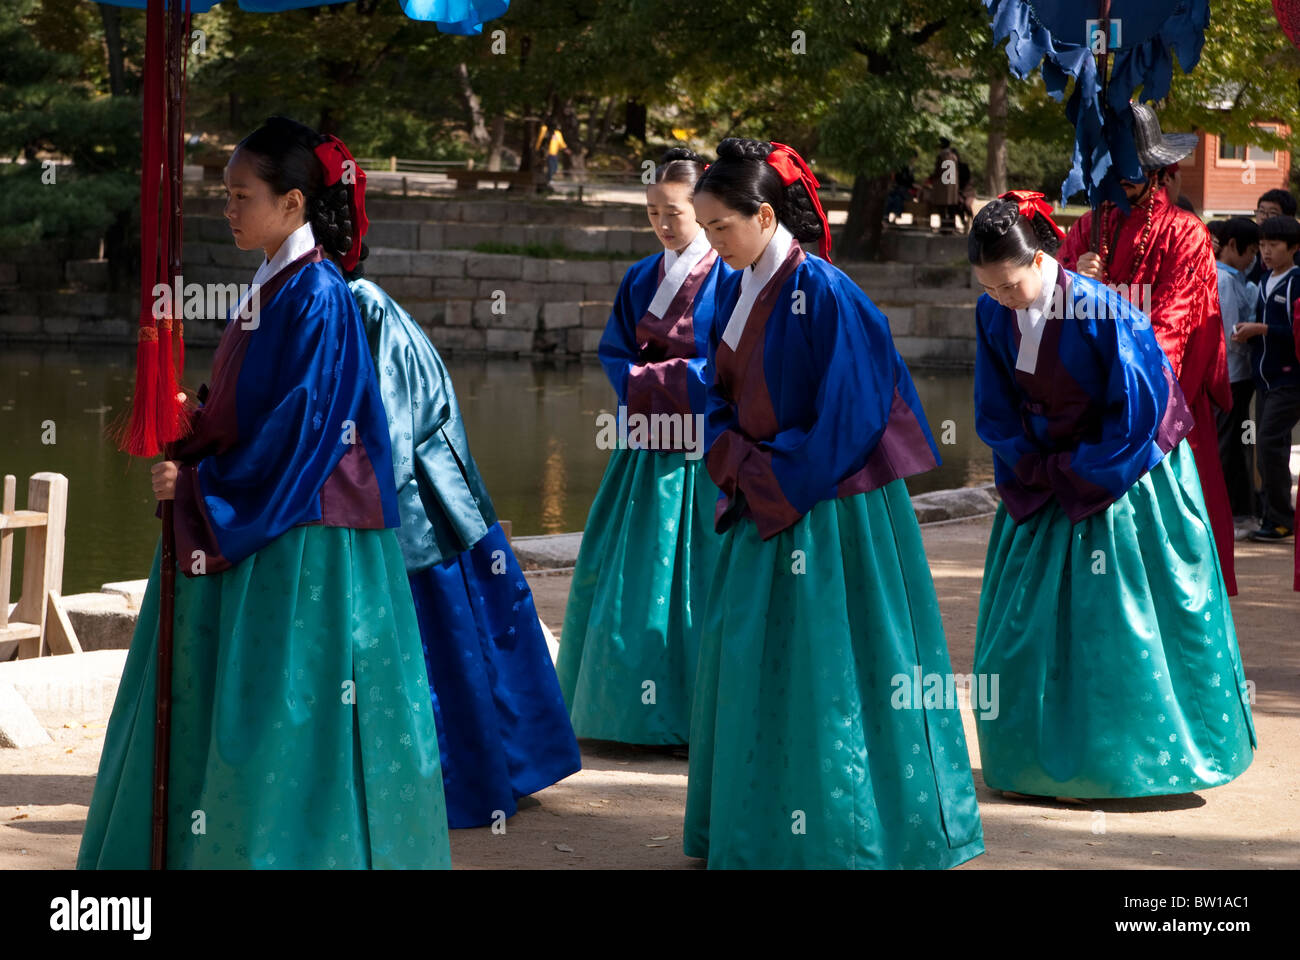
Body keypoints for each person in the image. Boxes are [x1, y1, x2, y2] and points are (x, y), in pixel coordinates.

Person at [78, 116, 451, 869]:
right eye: (224, 195)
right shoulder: (274, 281)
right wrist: (195, 424)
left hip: (301, 531)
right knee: (257, 705)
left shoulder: (317, 294)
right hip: (269, 511)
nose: (228, 208)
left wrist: (200, 485)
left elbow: (305, 429)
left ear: (292, 204)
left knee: (290, 707)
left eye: (241, 195)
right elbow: (257, 406)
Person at [684, 137, 984, 869]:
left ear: (762, 214)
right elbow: (708, 382)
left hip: (829, 504)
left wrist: (771, 477)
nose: (711, 242)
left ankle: (854, 834)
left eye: (721, 227)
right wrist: (730, 451)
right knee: (758, 663)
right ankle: (755, 827)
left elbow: (853, 414)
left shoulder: (825, 290)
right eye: (706, 228)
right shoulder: (730, 281)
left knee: (837, 668)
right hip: (762, 487)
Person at [323, 138, 581, 829]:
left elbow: (389, 430)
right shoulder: (331, 299)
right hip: (409, 492)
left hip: (413, 505)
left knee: (436, 638)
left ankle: (458, 776)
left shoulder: (362, 306)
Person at [969, 195, 1256, 801]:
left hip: (1122, 472)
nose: (1002, 298)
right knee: (1023, 630)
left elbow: (1141, 413)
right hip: (1045, 471)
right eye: (989, 287)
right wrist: (1030, 462)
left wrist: (1078, 471)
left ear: (1041, 259)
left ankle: (1131, 763)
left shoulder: (1105, 312)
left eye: (1010, 284)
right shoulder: (992, 313)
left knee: (1121, 622)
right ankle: (1027, 761)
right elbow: (994, 406)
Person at [556, 148, 730, 746]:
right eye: (652, 210)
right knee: (628, 576)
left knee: (695, 575)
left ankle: (690, 717)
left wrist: (659, 380)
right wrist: (640, 384)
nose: (661, 223)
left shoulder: (729, 276)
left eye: (673, 212)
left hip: (702, 446)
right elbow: (614, 350)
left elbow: (730, 364)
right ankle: (622, 711)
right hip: (646, 443)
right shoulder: (640, 276)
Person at [1058, 101, 1238, 595]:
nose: (1122, 181)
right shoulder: (1082, 232)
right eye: (1111, 168)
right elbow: (1049, 318)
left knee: (1168, 550)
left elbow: (1175, 329)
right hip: (1089, 403)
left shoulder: (1187, 234)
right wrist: (1074, 284)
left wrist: (1127, 391)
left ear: (1157, 170)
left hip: (1158, 401)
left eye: (1131, 170)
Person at [1232, 215, 1300, 543]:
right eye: (1262, 245)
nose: (1266, 252)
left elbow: (1295, 333)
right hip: (1265, 379)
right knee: (1268, 445)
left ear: (1294, 248)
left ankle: (1281, 518)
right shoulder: (1262, 281)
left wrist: (1261, 330)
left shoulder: (1295, 282)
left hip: (1289, 380)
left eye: (1274, 245)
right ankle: (1272, 516)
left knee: (1270, 443)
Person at [1213, 217, 1261, 530]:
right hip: (1233, 375)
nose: (1256, 257)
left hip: (1238, 375)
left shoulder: (1236, 279)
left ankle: (1241, 508)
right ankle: (1233, 512)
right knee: (1231, 444)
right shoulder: (1224, 281)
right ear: (1233, 246)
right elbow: (1231, 333)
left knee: (1240, 440)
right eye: (1253, 250)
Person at [1247, 188, 1298, 285]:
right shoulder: (1250, 246)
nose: (1264, 217)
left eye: (1272, 213)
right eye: (1261, 211)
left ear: (1289, 218)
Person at [930, 137, 962, 234]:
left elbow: (938, 171)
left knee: (942, 208)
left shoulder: (941, 155)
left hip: (943, 185)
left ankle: (944, 228)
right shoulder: (954, 155)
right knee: (951, 207)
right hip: (953, 185)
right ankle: (952, 227)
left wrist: (931, 178)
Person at [535, 119, 570, 189]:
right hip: (545, 153)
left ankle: (548, 179)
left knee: (554, 168)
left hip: (554, 153)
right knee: (548, 167)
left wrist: (565, 149)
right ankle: (547, 180)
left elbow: (561, 143)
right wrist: (537, 149)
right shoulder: (544, 129)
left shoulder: (557, 133)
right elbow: (539, 139)